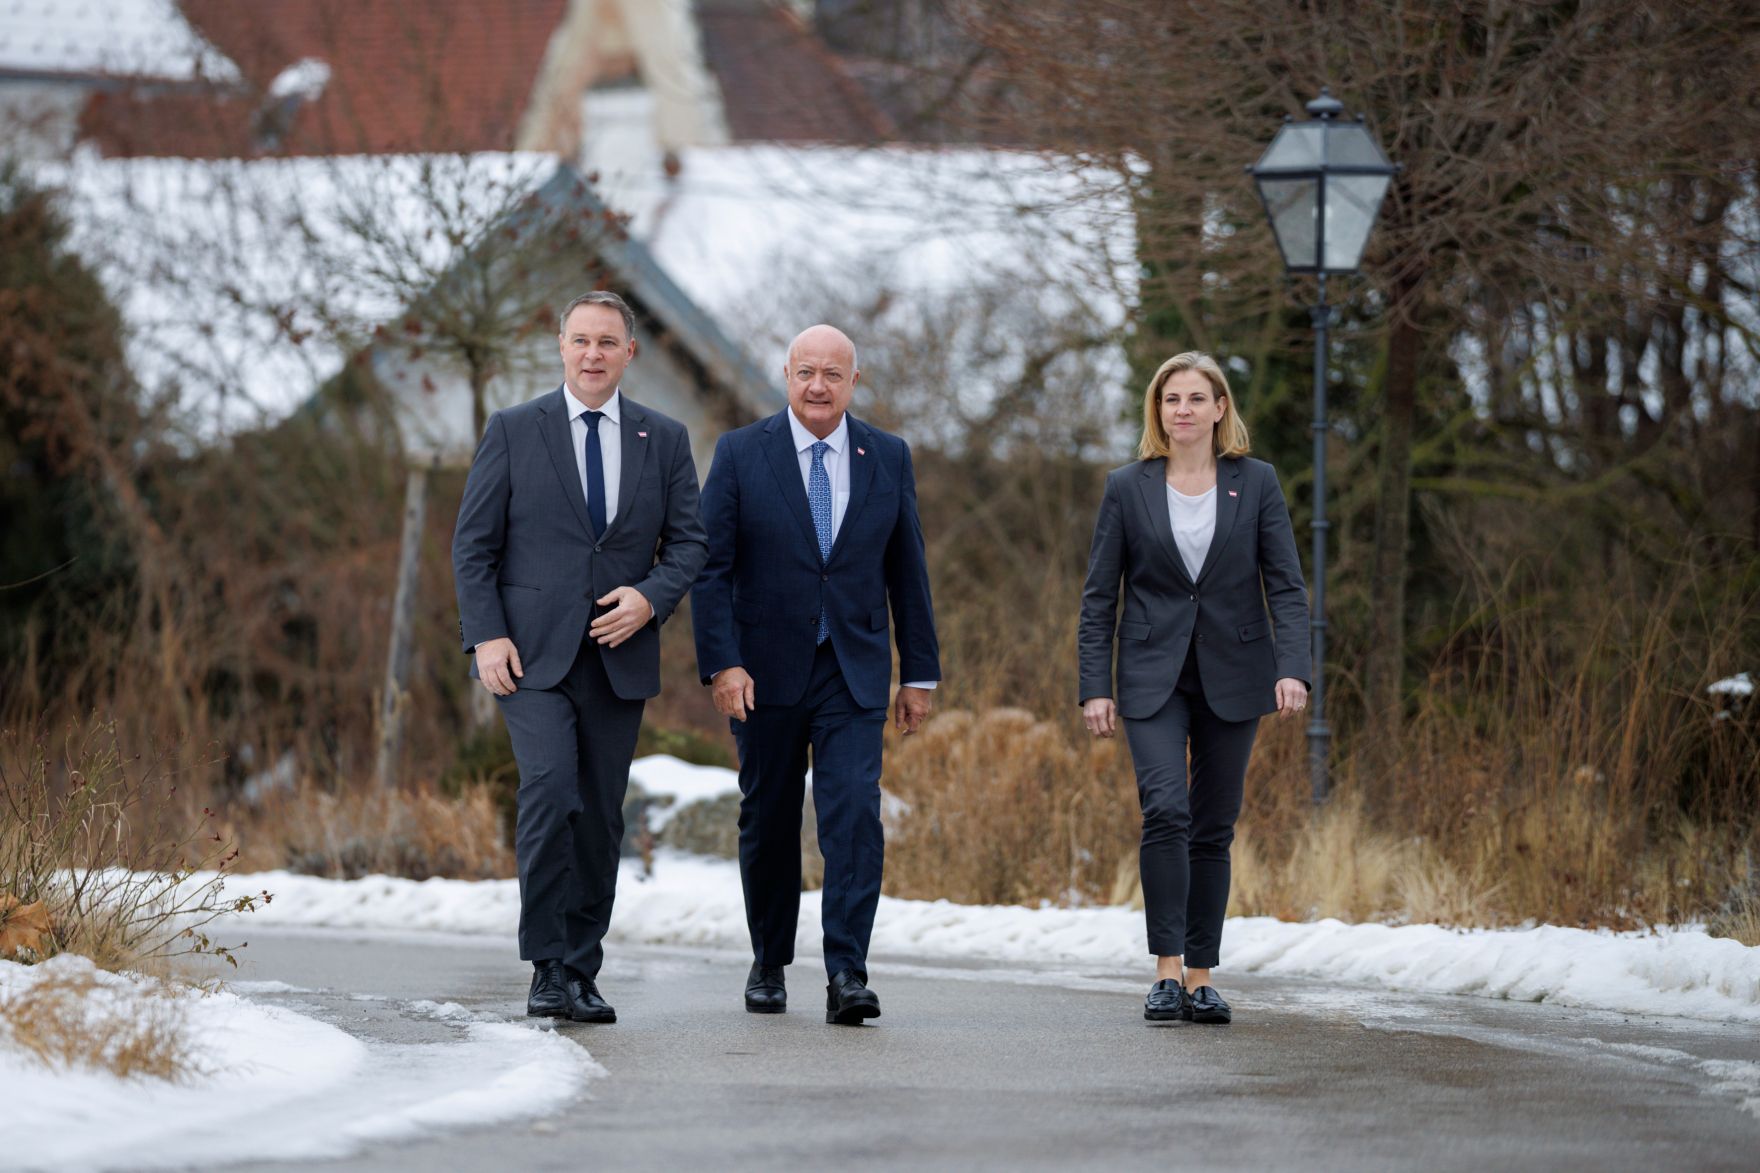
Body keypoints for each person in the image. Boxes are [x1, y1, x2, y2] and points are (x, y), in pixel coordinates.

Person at [452, 291, 707, 1024]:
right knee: (551, 789)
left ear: (630, 352)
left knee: (598, 816)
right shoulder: (513, 430)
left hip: (618, 658)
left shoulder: (664, 438)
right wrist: (486, 634)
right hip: (529, 659)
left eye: (607, 341)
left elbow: (689, 543)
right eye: (579, 340)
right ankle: (544, 966)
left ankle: (581, 968)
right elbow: (474, 547)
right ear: (560, 347)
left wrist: (650, 598)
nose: (592, 353)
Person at [692, 324, 939, 1025]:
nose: (819, 386)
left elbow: (907, 569)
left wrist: (918, 670)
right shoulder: (742, 453)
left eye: (833, 373)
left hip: (853, 669)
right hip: (763, 672)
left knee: (854, 815)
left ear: (854, 381)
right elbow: (712, 570)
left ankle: (846, 971)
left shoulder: (887, 456)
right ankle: (768, 958)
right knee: (768, 816)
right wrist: (722, 662)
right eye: (806, 372)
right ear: (786, 374)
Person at [1077, 351, 1310, 1025]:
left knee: (1212, 825)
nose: (1182, 408)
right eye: (1170, 398)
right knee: (1166, 809)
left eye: (1195, 397)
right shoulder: (1128, 487)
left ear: (1218, 408)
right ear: (1158, 411)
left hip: (1235, 676)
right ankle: (1166, 972)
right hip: (1151, 678)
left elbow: (1286, 586)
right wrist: (1096, 686)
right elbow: (1099, 598)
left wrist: (1292, 665)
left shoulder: (1257, 483)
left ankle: (1203, 976)